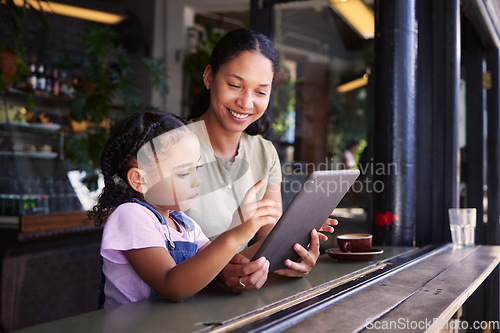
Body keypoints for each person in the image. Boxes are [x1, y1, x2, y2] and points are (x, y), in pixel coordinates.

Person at [186, 28, 337, 291]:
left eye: (260, 92)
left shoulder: (264, 153)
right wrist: (220, 270)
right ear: (209, 77)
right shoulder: (171, 148)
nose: (245, 102)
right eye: (235, 85)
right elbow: (160, 253)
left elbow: (266, 241)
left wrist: (295, 249)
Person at [90, 110, 280, 308]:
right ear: (140, 180)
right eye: (183, 173)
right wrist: (238, 233)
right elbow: (171, 285)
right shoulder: (131, 216)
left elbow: (224, 264)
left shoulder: (184, 224)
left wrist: (282, 237)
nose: (197, 180)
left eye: (197, 168)